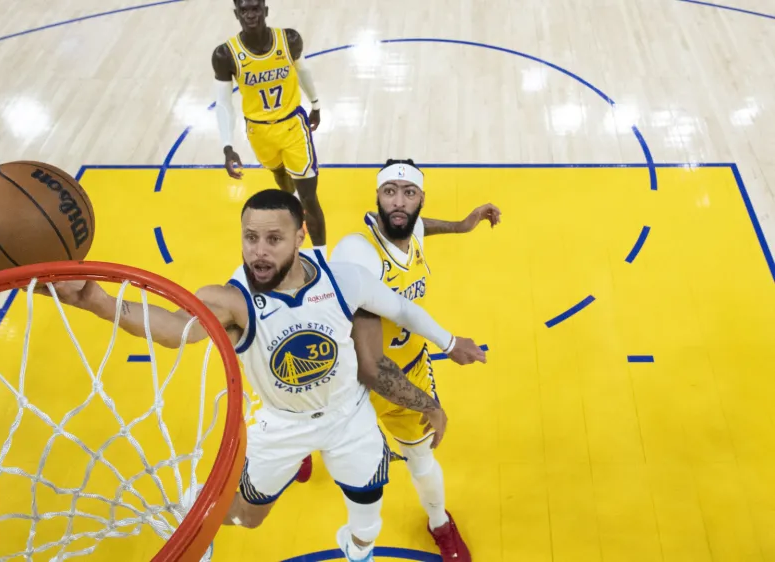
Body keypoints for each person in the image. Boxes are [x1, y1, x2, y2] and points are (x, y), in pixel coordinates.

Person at [41, 189, 486, 561]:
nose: (259, 251)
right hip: (283, 423)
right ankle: (200, 501)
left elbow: (402, 310)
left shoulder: (344, 280)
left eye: (274, 239)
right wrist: (98, 302)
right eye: (251, 237)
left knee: (368, 525)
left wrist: (443, 362)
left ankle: (357, 550)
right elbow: (175, 329)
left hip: (348, 418)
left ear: (300, 236)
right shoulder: (231, 300)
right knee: (246, 517)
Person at [304, 158, 499, 560]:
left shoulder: (413, 231)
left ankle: (439, 523)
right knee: (316, 437)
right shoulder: (357, 252)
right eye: (389, 192)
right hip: (351, 380)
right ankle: (301, 450)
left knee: (421, 460)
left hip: (407, 371)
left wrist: (462, 225)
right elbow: (371, 366)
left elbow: (422, 227)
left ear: (420, 199)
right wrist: (434, 395)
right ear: (377, 196)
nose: (398, 202)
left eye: (409, 193)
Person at [212, 0, 327, 253]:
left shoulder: (289, 40)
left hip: (293, 125)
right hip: (259, 131)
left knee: (310, 198)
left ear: (265, 10)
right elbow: (223, 103)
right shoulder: (225, 55)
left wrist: (316, 103)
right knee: (280, 175)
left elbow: (303, 71)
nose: (250, 15)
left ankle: (323, 260)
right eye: (244, 10)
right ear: (236, 14)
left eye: (255, 8)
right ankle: (294, 208)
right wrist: (227, 147)